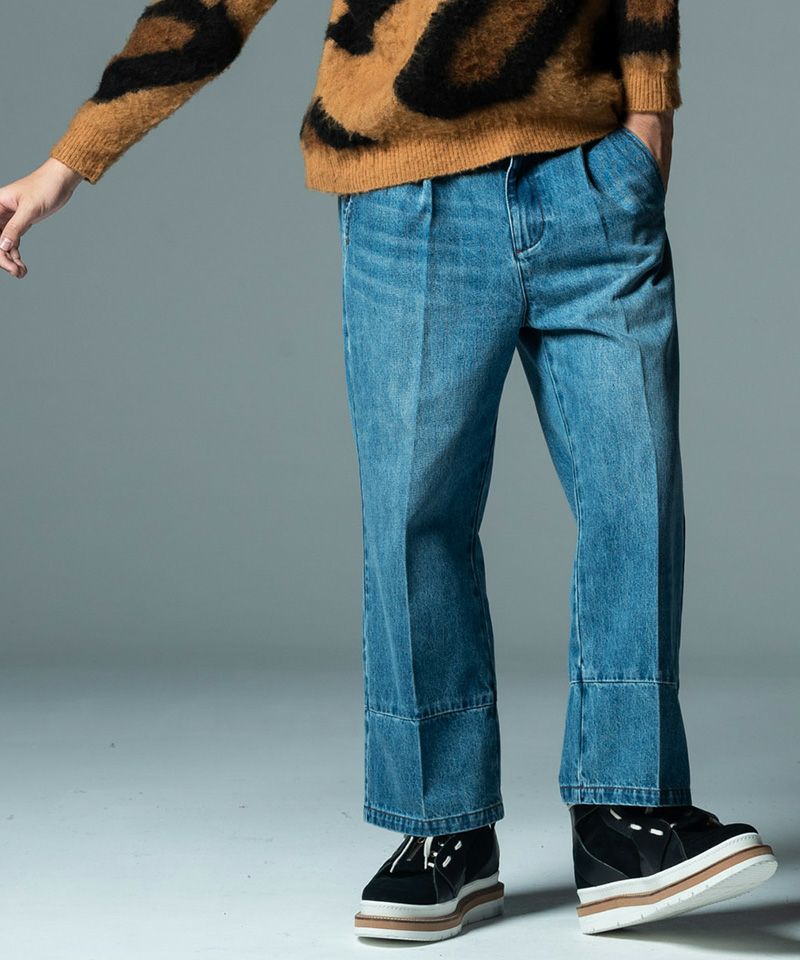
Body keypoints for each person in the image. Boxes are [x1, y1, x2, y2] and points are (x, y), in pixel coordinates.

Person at [0, 0, 778, 942]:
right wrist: (69, 160)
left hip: (590, 180)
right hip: (409, 199)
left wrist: (648, 126)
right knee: (415, 518)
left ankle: (628, 814)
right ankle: (442, 826)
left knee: (637, 496)